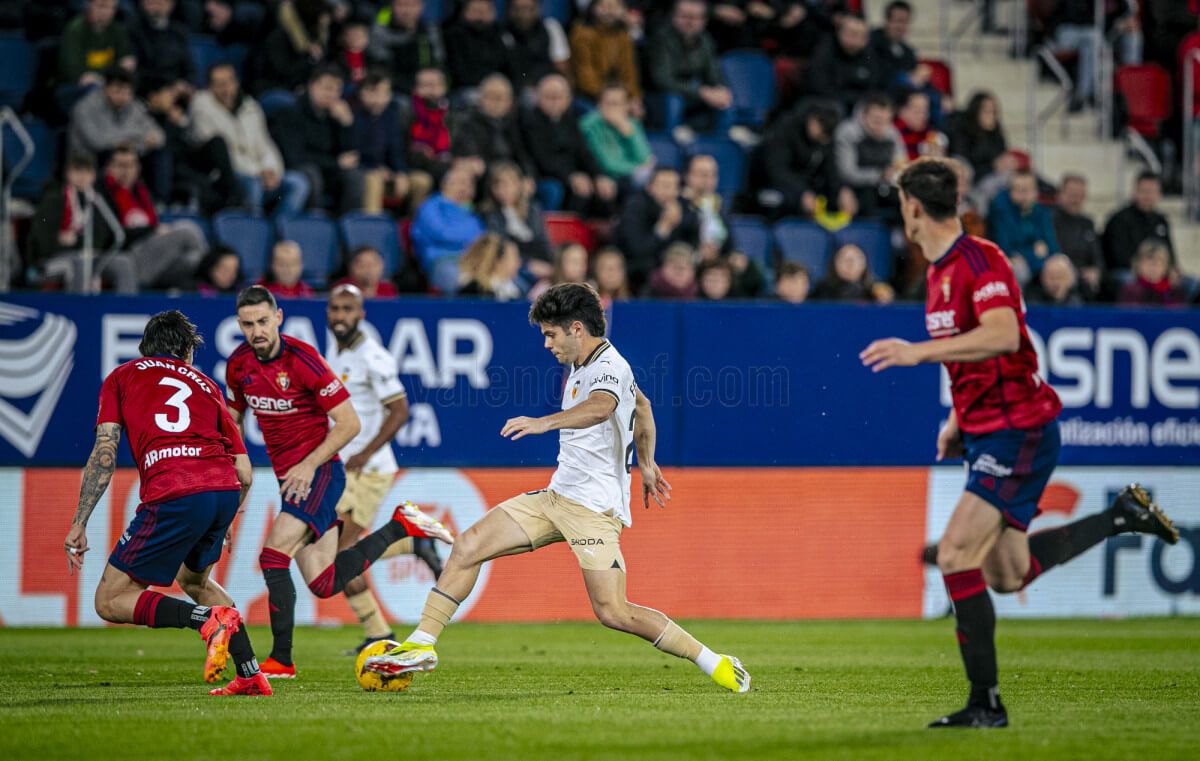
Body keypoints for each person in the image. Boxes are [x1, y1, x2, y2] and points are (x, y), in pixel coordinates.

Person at [860, 157, 1180, 729]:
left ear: (913, 206)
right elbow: (971, 357)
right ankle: (1121, 517)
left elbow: (1004, 334)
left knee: (956, 553)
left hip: (1020, 428)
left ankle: (986, 704)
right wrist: (958, 416)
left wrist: (917, 352)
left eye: (901, 202)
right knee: (1006, 575)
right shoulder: (936, 273)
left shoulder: (982, 258)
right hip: (986, 429)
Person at [362, 283, 751, 694]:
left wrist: (544, 422)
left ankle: (714, 661)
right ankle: (422, 644)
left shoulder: (608, 368)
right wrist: (648, 464)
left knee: (614, 611)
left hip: (593, 510)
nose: (547, 344)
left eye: (551, 334)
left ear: (576, 328)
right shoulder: (588, 364)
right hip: (555, 497)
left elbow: (603, 406)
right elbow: (643, 407)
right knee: (468, 545)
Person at [225, 286, 453, 679]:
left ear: (278, 318)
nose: (256, 331)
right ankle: (402, 529)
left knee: (272, 557)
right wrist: (235, 476)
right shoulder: (239, 365)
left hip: (323, 474)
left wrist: (310, 465)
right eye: (248, 324)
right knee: (324, 581)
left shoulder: (306, 359)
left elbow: (351, 423)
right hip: (291, 480)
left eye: (263, 321)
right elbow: (233, 420)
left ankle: (281, 660)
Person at [63, 310, 271, 697]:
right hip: (222, 491)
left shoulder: (122, 377)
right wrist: (223, 523)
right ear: (188, 352)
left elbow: (104, 452)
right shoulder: (208, 386)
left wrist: (80, 521)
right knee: (195, 579)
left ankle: (204, 620)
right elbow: (245, 473)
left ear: (146, 349)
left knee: (109, 600)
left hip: (175, 490)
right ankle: (249, 674)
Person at [324, 284, 447, 652]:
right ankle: (379, 632)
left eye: (348, 309)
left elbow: (400, 410)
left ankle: (410, 542)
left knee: (337, 556)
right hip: (346, 467)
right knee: (335, 557)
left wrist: (365, 453)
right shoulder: (337, 349)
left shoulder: (372, 356)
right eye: (335, 309)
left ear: (361, 313)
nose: (340, 316)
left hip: (368, 469)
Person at [189, 63, 310, 218]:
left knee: (299, 183)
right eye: (220, 84)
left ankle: (279, 232)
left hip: (261, 174)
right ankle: (253, 231)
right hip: (227, 178)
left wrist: (271, 170)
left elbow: (265, 144)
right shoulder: (202, 107)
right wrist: (258, 173)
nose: (226, 89)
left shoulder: (250, 107)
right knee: (253, 184)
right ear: (210, 87)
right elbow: (222, 155)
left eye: (230, 82)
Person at [102, 146, 209, 291]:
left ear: (138, 168)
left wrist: (155, 230)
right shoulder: (104, 194)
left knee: (193, 259)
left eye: (131, 165)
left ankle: (205, 291)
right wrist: (152, 229)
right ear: (109, 168)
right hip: (131, 254)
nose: (126, 171)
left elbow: (153, 223)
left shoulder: (140, 192)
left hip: (154, 255)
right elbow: (111, 234)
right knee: (188, 229)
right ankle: (211, 277)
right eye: (121, 165)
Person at [27, 153, 133, 293]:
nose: (82, 176)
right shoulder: (53, 199)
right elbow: (42, 241)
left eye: (87, 171)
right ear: (68, 174)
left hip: (91, 256)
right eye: (77, 170)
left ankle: (124, 310)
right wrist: (66, 243)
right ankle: (80, 311)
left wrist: (76, 240)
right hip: (54, 259)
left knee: (123, 262)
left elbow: (103, 237)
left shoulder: (97, 201)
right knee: (80, 263)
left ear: (94, 175)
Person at [272, 66, 366, 214]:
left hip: (328, 170)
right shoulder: (291, 112)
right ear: (311, 85)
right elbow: (295, 156)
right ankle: (315, 224)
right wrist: (335, 163)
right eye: (327, 88)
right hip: (300, 169)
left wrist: (346, 124)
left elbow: (350, 155)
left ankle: (348, 226)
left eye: (337, 90)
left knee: (355, 176)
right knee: (311, 173)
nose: (332, 95)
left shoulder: (334, 115)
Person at [522, 74, 618, 216]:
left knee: (603, 190)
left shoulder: (571, 121)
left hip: (573, 174)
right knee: (568, 190)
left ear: (568, 99)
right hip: (546, 175)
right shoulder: (529, 122)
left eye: (559, 97)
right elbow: (541, 158)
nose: (554, 102)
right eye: (549, 97)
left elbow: (584, 153)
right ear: (538, 98)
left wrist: (599, 176)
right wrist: (570, 176)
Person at [757, 100, 856, 221]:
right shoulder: (784, 129)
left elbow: (830, 169)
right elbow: (776, 170)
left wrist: (842, 189)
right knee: (794, 201)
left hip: (807, 185)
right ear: (813, 122)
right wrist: (802, 192)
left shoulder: (827, 134)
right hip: (775, 184)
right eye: (822, 136)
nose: (824, 142)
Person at [645, 0, 733, 136]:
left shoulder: (705, 40)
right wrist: (701, 92)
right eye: (685, 16)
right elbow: (662, 80)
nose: (690, 22)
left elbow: (713, 74)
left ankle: (719, 147)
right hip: (659, 97)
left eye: (696, 18)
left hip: (690, 94)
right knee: (674, 101)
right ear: (674, 17)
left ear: (704, 21)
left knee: (725, 101)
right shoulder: (661, 39)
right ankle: (670, 145)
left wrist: (719, 89)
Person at [615, 167, 700, 290]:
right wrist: (663, 227)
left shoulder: (684, 207)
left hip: (676, 266)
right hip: (641, 269)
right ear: (649, 187)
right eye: (664, 185)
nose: (669, 192)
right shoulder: (635, 207)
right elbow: (638, 250)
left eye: (674, 186)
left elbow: (693, 241)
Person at [351, 73, 422, 214]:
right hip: (364, 172)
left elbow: (396, 149)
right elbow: (352, 153)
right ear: (362, 93)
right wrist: (375, 167)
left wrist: (400, 172)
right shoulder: (352, 116)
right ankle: (373, 231)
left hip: (388, 173)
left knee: (422, 181)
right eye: (374, 92)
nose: (380, 98)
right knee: (374, 180)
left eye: (385, 93)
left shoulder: (390, 116)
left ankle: (411, 228)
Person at [410, 164, 486, 292]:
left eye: (469, 184)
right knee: (463, 288)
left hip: (472, 262)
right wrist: (468, 238)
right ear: (445, 184)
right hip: (442, 260)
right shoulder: (430, 207)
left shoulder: (471, 212)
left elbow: (480, 238)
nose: (465, 187)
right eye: (461, 182)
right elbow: (442, 234)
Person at [834, 93, 906, 219]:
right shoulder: (847, 133)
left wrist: (897, 171)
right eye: (877, 121)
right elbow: (846, 173)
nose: (882, 127)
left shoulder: (892, 133)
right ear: (863, 116)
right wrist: (880, 175)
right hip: (854, 187)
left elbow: (901, 161)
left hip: (885, 185)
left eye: (887, 121)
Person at [451, 74, 536, 179]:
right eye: (491, 97)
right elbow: (475, 161)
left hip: (513, 177)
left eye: (501, 98)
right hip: (486, 178)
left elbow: (524, 157)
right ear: (480, 99)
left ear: (510, 102)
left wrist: (528, 177)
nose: (496, 103)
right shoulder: (467, 123)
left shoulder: (516, 123)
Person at [68, 68, 166, 160]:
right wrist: (137, 136)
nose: (123, 97)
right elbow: (97, 142)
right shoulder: (85, 107)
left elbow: (159, 136)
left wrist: (133, 144)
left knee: (160, 152)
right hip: (92, 160)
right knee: (118, 153)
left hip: (126, 155)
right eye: (117, 91)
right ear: (105, 89)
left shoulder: (135, 106)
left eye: (127, 92)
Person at [56, 0, 135, 113]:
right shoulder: (75, 30)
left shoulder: (117, 30)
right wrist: (109, 77)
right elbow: (74, 71)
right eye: (101, 6)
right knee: (97, 91)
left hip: (107, 84)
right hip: (75, 88)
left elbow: (125, 59)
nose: (106, 11)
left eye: (111, 7)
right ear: (89, 5)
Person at [569, 0, 642, 114]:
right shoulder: (583, 34)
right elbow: (585, 77)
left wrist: (633, 98)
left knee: (635, 112)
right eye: (603, 6)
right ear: (593, 8)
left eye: (614, 6)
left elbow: (629, 72)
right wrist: (610, 98)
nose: (608, 11)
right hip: (588, 96)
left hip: (616, 94)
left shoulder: (623, 36)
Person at [988, 169, 1059, 283]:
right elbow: (1005, 248)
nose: (1023, 195)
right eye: (1018, 190)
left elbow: (1052, 247)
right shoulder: (1001, 211)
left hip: (1035, 261)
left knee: (1061, 266)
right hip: (1013, 262)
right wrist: (1033, 253)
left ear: (1036, 192)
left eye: (1027, 190)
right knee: (1017, 269)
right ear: (1010, 192)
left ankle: (1067, 301)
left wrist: (1037, 255)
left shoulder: (1043, 213)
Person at [579, 83, 655, 191]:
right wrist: (637, 168)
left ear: (627, 106)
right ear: (599, 105)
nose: (612, 108)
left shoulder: (631, 123)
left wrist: (629, 134)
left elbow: (644, 157)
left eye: (617, 104)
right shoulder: (589, 125)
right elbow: (607, 164)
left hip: (628, 176)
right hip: (605, 177)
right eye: (608, 103)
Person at [482, 161, 553, 269]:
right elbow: (501, 247)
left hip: (540, 261)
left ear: (518, 184)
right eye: (497, 185)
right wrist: (527, 265)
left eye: (507, 184)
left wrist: (552, 264)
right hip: (512, 265)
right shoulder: (490, 213)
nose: (502, 190)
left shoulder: (532, 209)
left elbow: (542, 241)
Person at [1102, 172, 1174, 274]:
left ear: (1159, 194)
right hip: (1128, 272)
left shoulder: (1161, 220)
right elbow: (1118, 258)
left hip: (1158, 272)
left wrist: (1171, 269)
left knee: (1192, 284)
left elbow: (1169, 253)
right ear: (1135, 192)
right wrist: (1145, 270)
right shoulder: (1119, 220)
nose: (1148, 196)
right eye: (1144, 191)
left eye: (1152, 192)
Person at [369, 0, 446, 95]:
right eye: (401, 5)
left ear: (421, 6)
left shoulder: (429, 29)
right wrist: (414, 86)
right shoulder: (380, 32)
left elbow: (439, 61)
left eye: (412, 5)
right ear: (392, 6)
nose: (407, 10)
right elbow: (382, 70)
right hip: (395, 91)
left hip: (427, 87)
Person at [809, 14, 881, 114]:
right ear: (839, 32)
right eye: (853, 34)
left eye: (863, 36)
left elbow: (874, 87)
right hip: (827, 106)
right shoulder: (825, 51)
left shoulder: (869, 55)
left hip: (859, 108)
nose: (857, 40)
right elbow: (820, 88)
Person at [443, 0, 510, 98]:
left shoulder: (502, 35)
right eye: (476, 11)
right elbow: (459, 73)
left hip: (497, 87)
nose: (480, 17)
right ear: (465, 12)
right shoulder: (453, 36)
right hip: (465, 90)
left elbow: (509, 67)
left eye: (484, 12)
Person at [948, 91, 1015, 190]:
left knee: (1021, 176)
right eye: (987, 111)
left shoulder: (996, 133)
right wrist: (993, 167)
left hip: (997, 177)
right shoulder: (963, 133)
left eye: (994, 111)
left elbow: (1002, 156)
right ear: (976, 112)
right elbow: (966, 167)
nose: (991, 116)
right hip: (976, 184)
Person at [1051, 174, 1103, 299]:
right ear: (1060, 195)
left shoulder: (1087, 223)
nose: (1075, 200)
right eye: (1072, 194)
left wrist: (1096, 270)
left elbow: (1097, 255)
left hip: (1084, 276)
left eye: (1080, 195)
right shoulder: (1050, 220)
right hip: (1059, 273)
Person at [503, 0, 571, 96]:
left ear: (538, 8)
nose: (524, 14)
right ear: (510, 10)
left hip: (545, 89)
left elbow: (562, 67)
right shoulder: (501, 32)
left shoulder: (551, 27)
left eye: (529, 8)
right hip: (510, 91)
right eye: (519, 9)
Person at [127, 0, 195, 95]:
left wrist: (187, 85)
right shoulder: (133, 30)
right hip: (147, 91)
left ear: (171, 4)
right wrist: (169, 86)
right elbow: (137, 69)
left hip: (178, 92)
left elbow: (189, 67)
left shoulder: (180, 32)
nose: (154, 2)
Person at [406, 67, 454, 183]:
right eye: (425, 85)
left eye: (435, 85)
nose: (431, 91)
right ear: (415, 89)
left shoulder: (451, 114)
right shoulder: (408, 113)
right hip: (417, 165)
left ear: (444, 88)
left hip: (445, 162)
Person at [811, 243, 894, 303]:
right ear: (834, 264)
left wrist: (884, 301)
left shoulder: (875, 292)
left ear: (864, 264)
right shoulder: (821, 292)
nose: (850, 264)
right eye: (845, 259)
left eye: (855, 259)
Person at [1117, 239, 1187, 307]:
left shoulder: (1174, 291)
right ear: (1138, 265)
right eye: (1148, 261)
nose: (1153, 266)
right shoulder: (1130, 290)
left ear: (1166, 266)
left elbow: (1180, 314)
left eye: (1159, 261)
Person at [457, 233, 526, 300]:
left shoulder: (515, 291)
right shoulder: (473, 291)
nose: (519, 263)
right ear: (498, 261)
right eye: (515, 257)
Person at [895, 90, 947, 161]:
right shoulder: (892, 134)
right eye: (917, 111)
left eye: (925, 111)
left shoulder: (931, 136)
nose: (923, 116)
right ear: (902, 111)